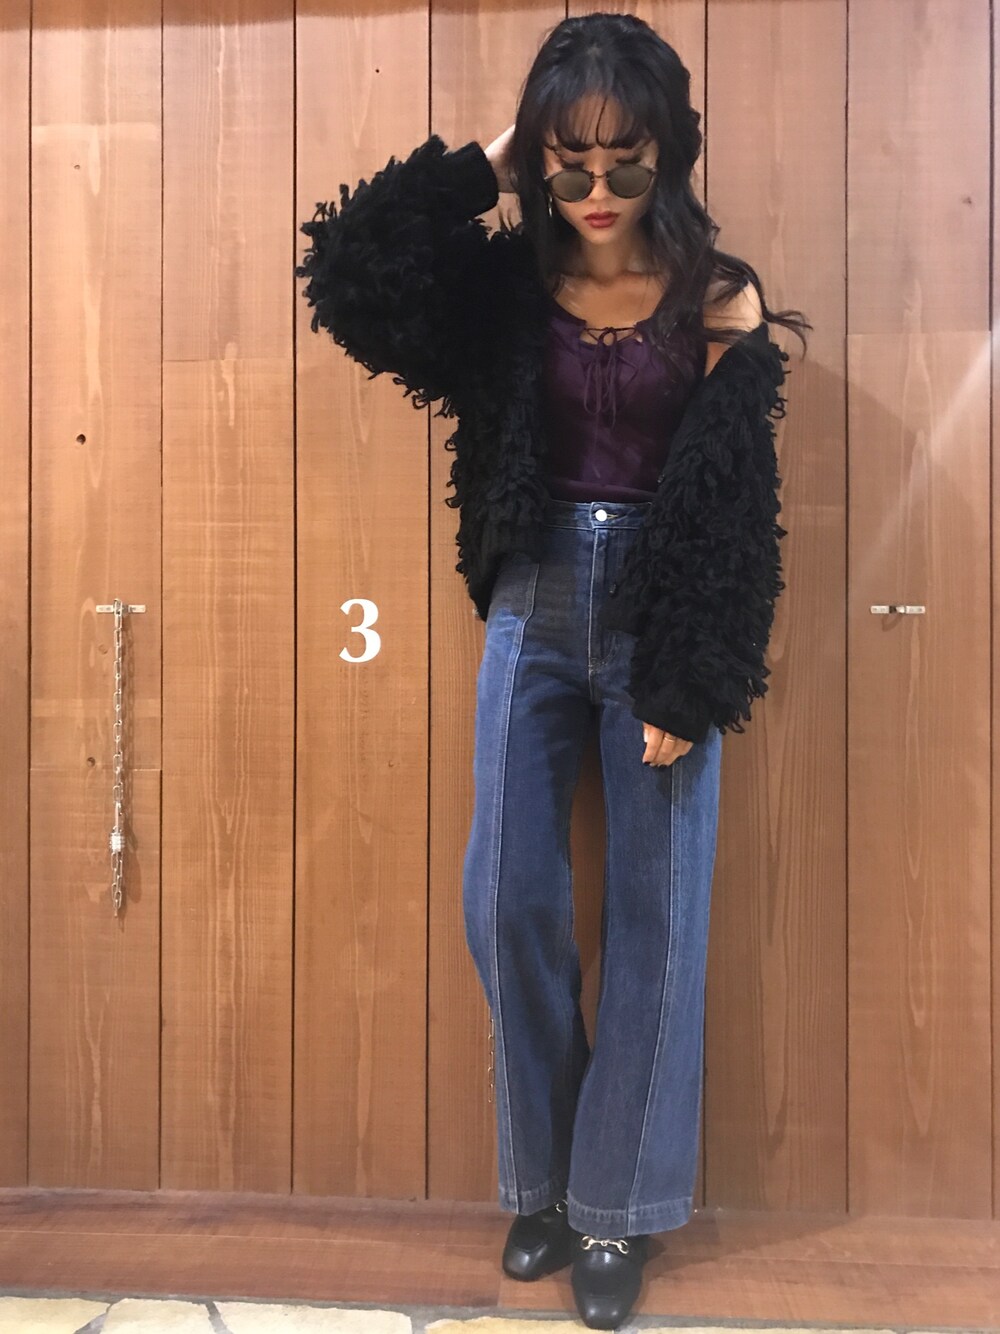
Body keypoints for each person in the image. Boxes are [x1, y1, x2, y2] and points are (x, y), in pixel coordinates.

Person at [296, 12, 810, 1328]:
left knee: (657, 913)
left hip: (661, 606)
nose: (593, 189)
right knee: (509, 894)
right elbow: (348, 271)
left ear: (670, 154)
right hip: (531, 598)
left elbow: (734, 506)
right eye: (565, 161)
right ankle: (544, 1178)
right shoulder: (505, 290)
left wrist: (692, 676)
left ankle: (614, 1205)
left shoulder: (717, 296)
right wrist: (483, 166)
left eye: (622, 160)